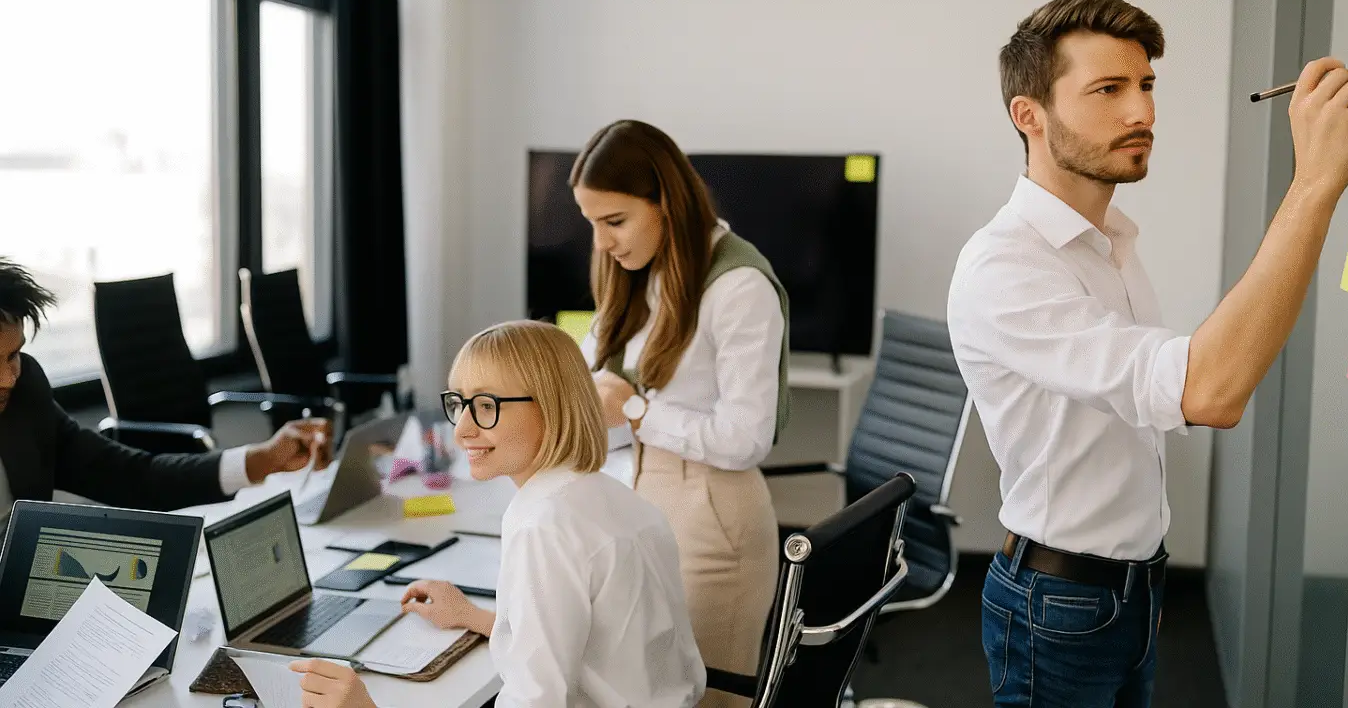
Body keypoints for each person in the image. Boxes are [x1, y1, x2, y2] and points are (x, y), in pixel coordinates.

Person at [946, 0, 1348, 706]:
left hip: (1129, 589)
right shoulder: (1005, 267)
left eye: (1145, 85)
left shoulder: (1111, 241)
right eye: (1108, 90)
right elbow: (1208, 391)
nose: (1141, 112)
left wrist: (1142, 582)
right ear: (1030, 115)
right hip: (1059, 604)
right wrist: (1315, 182)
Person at [291, 319, 705, 708]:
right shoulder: (616, 498)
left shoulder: (544, 525)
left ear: (552, 407)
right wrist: (475, 617)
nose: (462, 430)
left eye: (486, 406)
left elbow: (535, 701)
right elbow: (589, 643)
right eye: (460, 403)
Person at [569, 119, 789, 707]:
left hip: (714, 520)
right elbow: (597, 373)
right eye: (592, 223)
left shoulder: (738, 286)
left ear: (666, 204)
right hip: (649, 501)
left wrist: (635, 409)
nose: (602, 242)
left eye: (615, 221)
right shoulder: (644, 272)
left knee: (703, 698)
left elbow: (746, 439)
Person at [0, 257, 331, 519]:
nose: (8, 379)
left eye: (13, 356)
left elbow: (136, 477)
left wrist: (263, 459)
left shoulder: (26, 394)